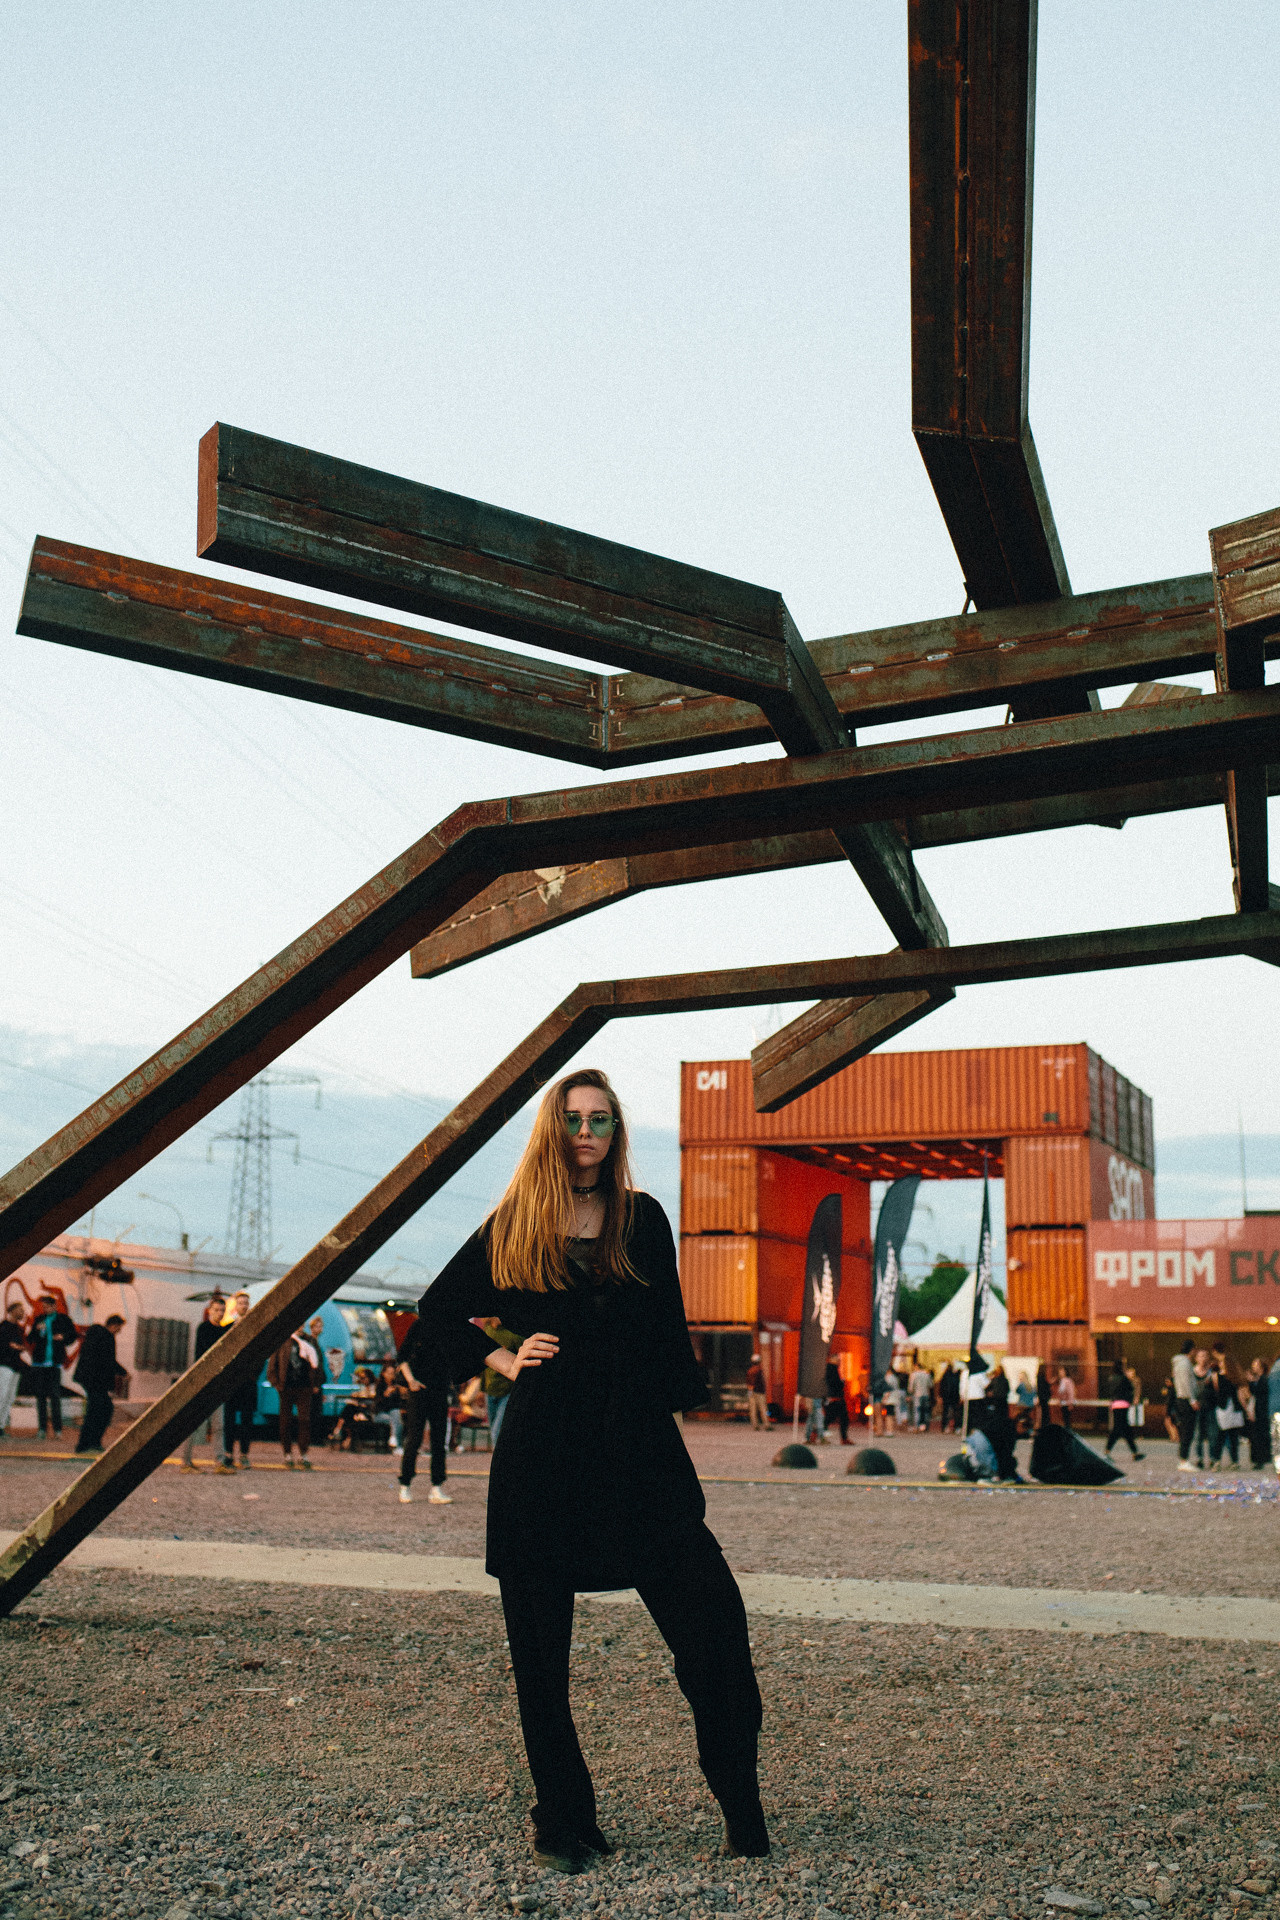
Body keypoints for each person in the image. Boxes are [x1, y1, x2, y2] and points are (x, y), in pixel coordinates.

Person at [415, 1066, 766, 1874]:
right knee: (541, 1664)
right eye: (573, 1118)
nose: (586, 1132)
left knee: (714, 1628)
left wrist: (678, 1400)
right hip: (542, 1457)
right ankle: (564, 1821)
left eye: (601, 1119)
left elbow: (667, 1327)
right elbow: (435, 1315)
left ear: (616, 1133)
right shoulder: (515, 1223)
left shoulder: (642, 1220)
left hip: (636, 1454)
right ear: (552, 1129)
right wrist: (502, 1354)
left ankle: (741, 1807)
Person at [397, 1313, 453, 1505]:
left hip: (439, 1390)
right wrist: (411, 1380)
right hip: (420, 1389)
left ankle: (436, 1486)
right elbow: (402, 1356)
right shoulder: (418, 1326)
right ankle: (405, 1484)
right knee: (414, 1437)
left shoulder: (449, 1328)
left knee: (438, 1440)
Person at [181, 1296, 227, 1470]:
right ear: (209, 1311)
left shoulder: (223, 1331)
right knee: (193, 1424)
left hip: (217, 1382)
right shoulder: (204, 1328)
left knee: (218, 1425)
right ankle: (185, 1462)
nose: (219, 1313)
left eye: (222, 1310)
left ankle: (219, 1461)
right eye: (216, 1310)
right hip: (202, 1381)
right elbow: (204, 1353)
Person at [27, 1293, 78, 1439]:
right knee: (40, 1396)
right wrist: (37, 1329)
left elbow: (73, 1336)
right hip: (39, 1363)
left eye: (48, 1307)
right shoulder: (39, 1319)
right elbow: (31, 1338)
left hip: (54, 1364)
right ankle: (42, 1429)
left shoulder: (63, 1320)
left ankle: (58, 1430)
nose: (45, 1309)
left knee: (55, 1396)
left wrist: (63, 1337)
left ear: (54, 1306)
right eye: (43, 1307)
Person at [72, 1314, 125, 1453]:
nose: (118, 1331)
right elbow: (108, 1360)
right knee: (101, 1410)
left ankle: (88, 1443)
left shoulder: (94, 1335)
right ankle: (88, 1443)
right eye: (118, 1328)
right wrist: (123, 1372)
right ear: (114, 1325)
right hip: (95, 1380)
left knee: (98, 1410)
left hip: (89, 1379)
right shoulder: (107, 1337)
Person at [267, 1328, 319, 1468]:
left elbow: (318, 1362)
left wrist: (316, 1383)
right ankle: (287, 1453)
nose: (300, 1327)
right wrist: (277, 1384)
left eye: (302, 1324)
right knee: (285, 1421)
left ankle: (303, 1453)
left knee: (304, 1420)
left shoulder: (310, 1341)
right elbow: (273, 1364)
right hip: (286, 1387)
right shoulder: (283, 1340)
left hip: (304, 1387)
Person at [216, 1291, 256, 1473]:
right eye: (241, 1303)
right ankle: (229, 1453)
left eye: (246, 1303)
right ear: (236, 1306)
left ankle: (245, 1455)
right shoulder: (227, 1329)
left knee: (247, 1420)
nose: (244, 1306)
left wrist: (254, 1375)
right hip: (231, 1382)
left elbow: (260, 1354)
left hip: (248, 1382)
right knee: (230, 1420)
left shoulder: (255, 1330)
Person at [480, 1318, 520, 1446]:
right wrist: (482, 1389)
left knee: (498, 1430)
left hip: (507, 1389)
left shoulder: (512, 1334)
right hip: (490, 1388)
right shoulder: (488, 1330)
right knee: (494, 1429)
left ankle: (500, 1462)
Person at [1207, 1348, 1244, 1470]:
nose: (1220, 1364)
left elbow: (1218, 1392)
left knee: (1221, 1436)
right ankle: (1235, 1461)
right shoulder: (1235, 1377)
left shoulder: (1219, 1377)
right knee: (1233, 1437)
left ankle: (1216, 1460)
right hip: (1234, 1408)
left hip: (1224, 1408)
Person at [1103, 1358, 1144, 1460]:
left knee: (1125, 1429)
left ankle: (1135, 1452)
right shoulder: (1123, 1378)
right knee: (1120, 1429)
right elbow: (1130, 1389)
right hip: (1124, 1404)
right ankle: (1107, 1451)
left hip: (1115, 1404)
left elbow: (1109, 1391)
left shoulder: (1111, 1378)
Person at [0, 1302, 27, 1437]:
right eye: (20, 1310)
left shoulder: (18, 1328)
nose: (23, 1312)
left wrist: (18, 1347)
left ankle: (1, 1425)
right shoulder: (3, 1327)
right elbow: (6, 1346)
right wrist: (13, 1346)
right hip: (4, 1366)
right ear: (13, 1311)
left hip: (16, 1367)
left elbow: (20, 1346)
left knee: (10, 1398)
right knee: (2, 1395)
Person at [1171, 1338, 1198, 1471]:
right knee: (1188, 1430)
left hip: (1180, 1398)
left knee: (1184, 1430)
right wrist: (1192, 1399)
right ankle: (1184, 1459)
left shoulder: (1177, 1363)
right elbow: (1187, 1383)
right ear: (1191, 1350)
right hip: (1186, 1399)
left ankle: (1183, 1458)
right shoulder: (1185, 1364)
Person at [1244, 1356, 1270, 1469]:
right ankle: (1258, 1459)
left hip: (1261, 1411)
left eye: (1255, 1365)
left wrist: (1251, 1382)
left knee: (1260, 1436)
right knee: (1256, 1436)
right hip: (1258, 1410)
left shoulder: (1263, 1379)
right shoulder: (1259, 1379)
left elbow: (1259, 1393)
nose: (1253, 1367)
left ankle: (1261, 1459)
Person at [375, 1360, 406, 1453]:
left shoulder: (396, 1386)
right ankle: (398, 1446)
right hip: (380, 1414)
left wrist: (401, 1392)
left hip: (393, 1414)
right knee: (396, 1420)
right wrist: (385, 1395)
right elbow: (378, 1405)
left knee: (396, 1417)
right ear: (383, 1374)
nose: (391, 1375)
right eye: (389, 1373)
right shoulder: (380, 1386)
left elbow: (398, 1404)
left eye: (393, 1373)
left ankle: (394, 1440)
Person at [824, 1360, 850, 1444]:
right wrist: (842, 1382)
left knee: (834, 1418)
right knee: (833, 1418)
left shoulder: (828, 1369)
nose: (839, 1362)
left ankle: (844, 1438)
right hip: (835, 1398)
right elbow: (835, 1383)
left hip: (834, 1397)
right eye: (837, 1360)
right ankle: (844, 1438)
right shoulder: (832, 1369)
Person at [908, 1356, 932, 1432]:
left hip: (917, 1394)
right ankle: (925, 1426)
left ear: (916, 1367)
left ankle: (916, 1426)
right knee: (925, 1411)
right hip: (926, 1393)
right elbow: (931, 1385)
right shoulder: (927, 1374)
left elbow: (911, 1386)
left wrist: (910, 1392)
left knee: (917, 1410)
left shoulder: (914, 1375)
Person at [745, 1353, 769, 1431]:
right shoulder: (759, 1370)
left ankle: (755, 1425)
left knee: (753, 1409)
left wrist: (750, 1391)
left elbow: (748, 1382)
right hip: (759, 1392)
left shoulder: (749, 1371)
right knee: (763, 1409)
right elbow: (755, 1382)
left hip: (751, 1392)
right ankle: (767, 1424)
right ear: (759, 1361)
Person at [938, 1360, 961, 1433]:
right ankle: (956, 1427)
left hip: (946, 1396)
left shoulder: (944, 1376)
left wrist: (940, 1396)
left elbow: (941, 1387)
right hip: (955, 1396)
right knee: (956, 1412)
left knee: (945, 1412)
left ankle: (944, 1427)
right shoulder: (956, 1376)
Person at [1035, 1363, 1053, 1430]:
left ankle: (1043, 1426)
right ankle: (1045, 1426)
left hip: (1041, 1398)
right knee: (1045, 1413)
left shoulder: (1038, 1377)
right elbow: (1044, 1388)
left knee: (1043, 1413)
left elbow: (1040, 1388)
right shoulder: (1041, 1378)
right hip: (1044, 1398)